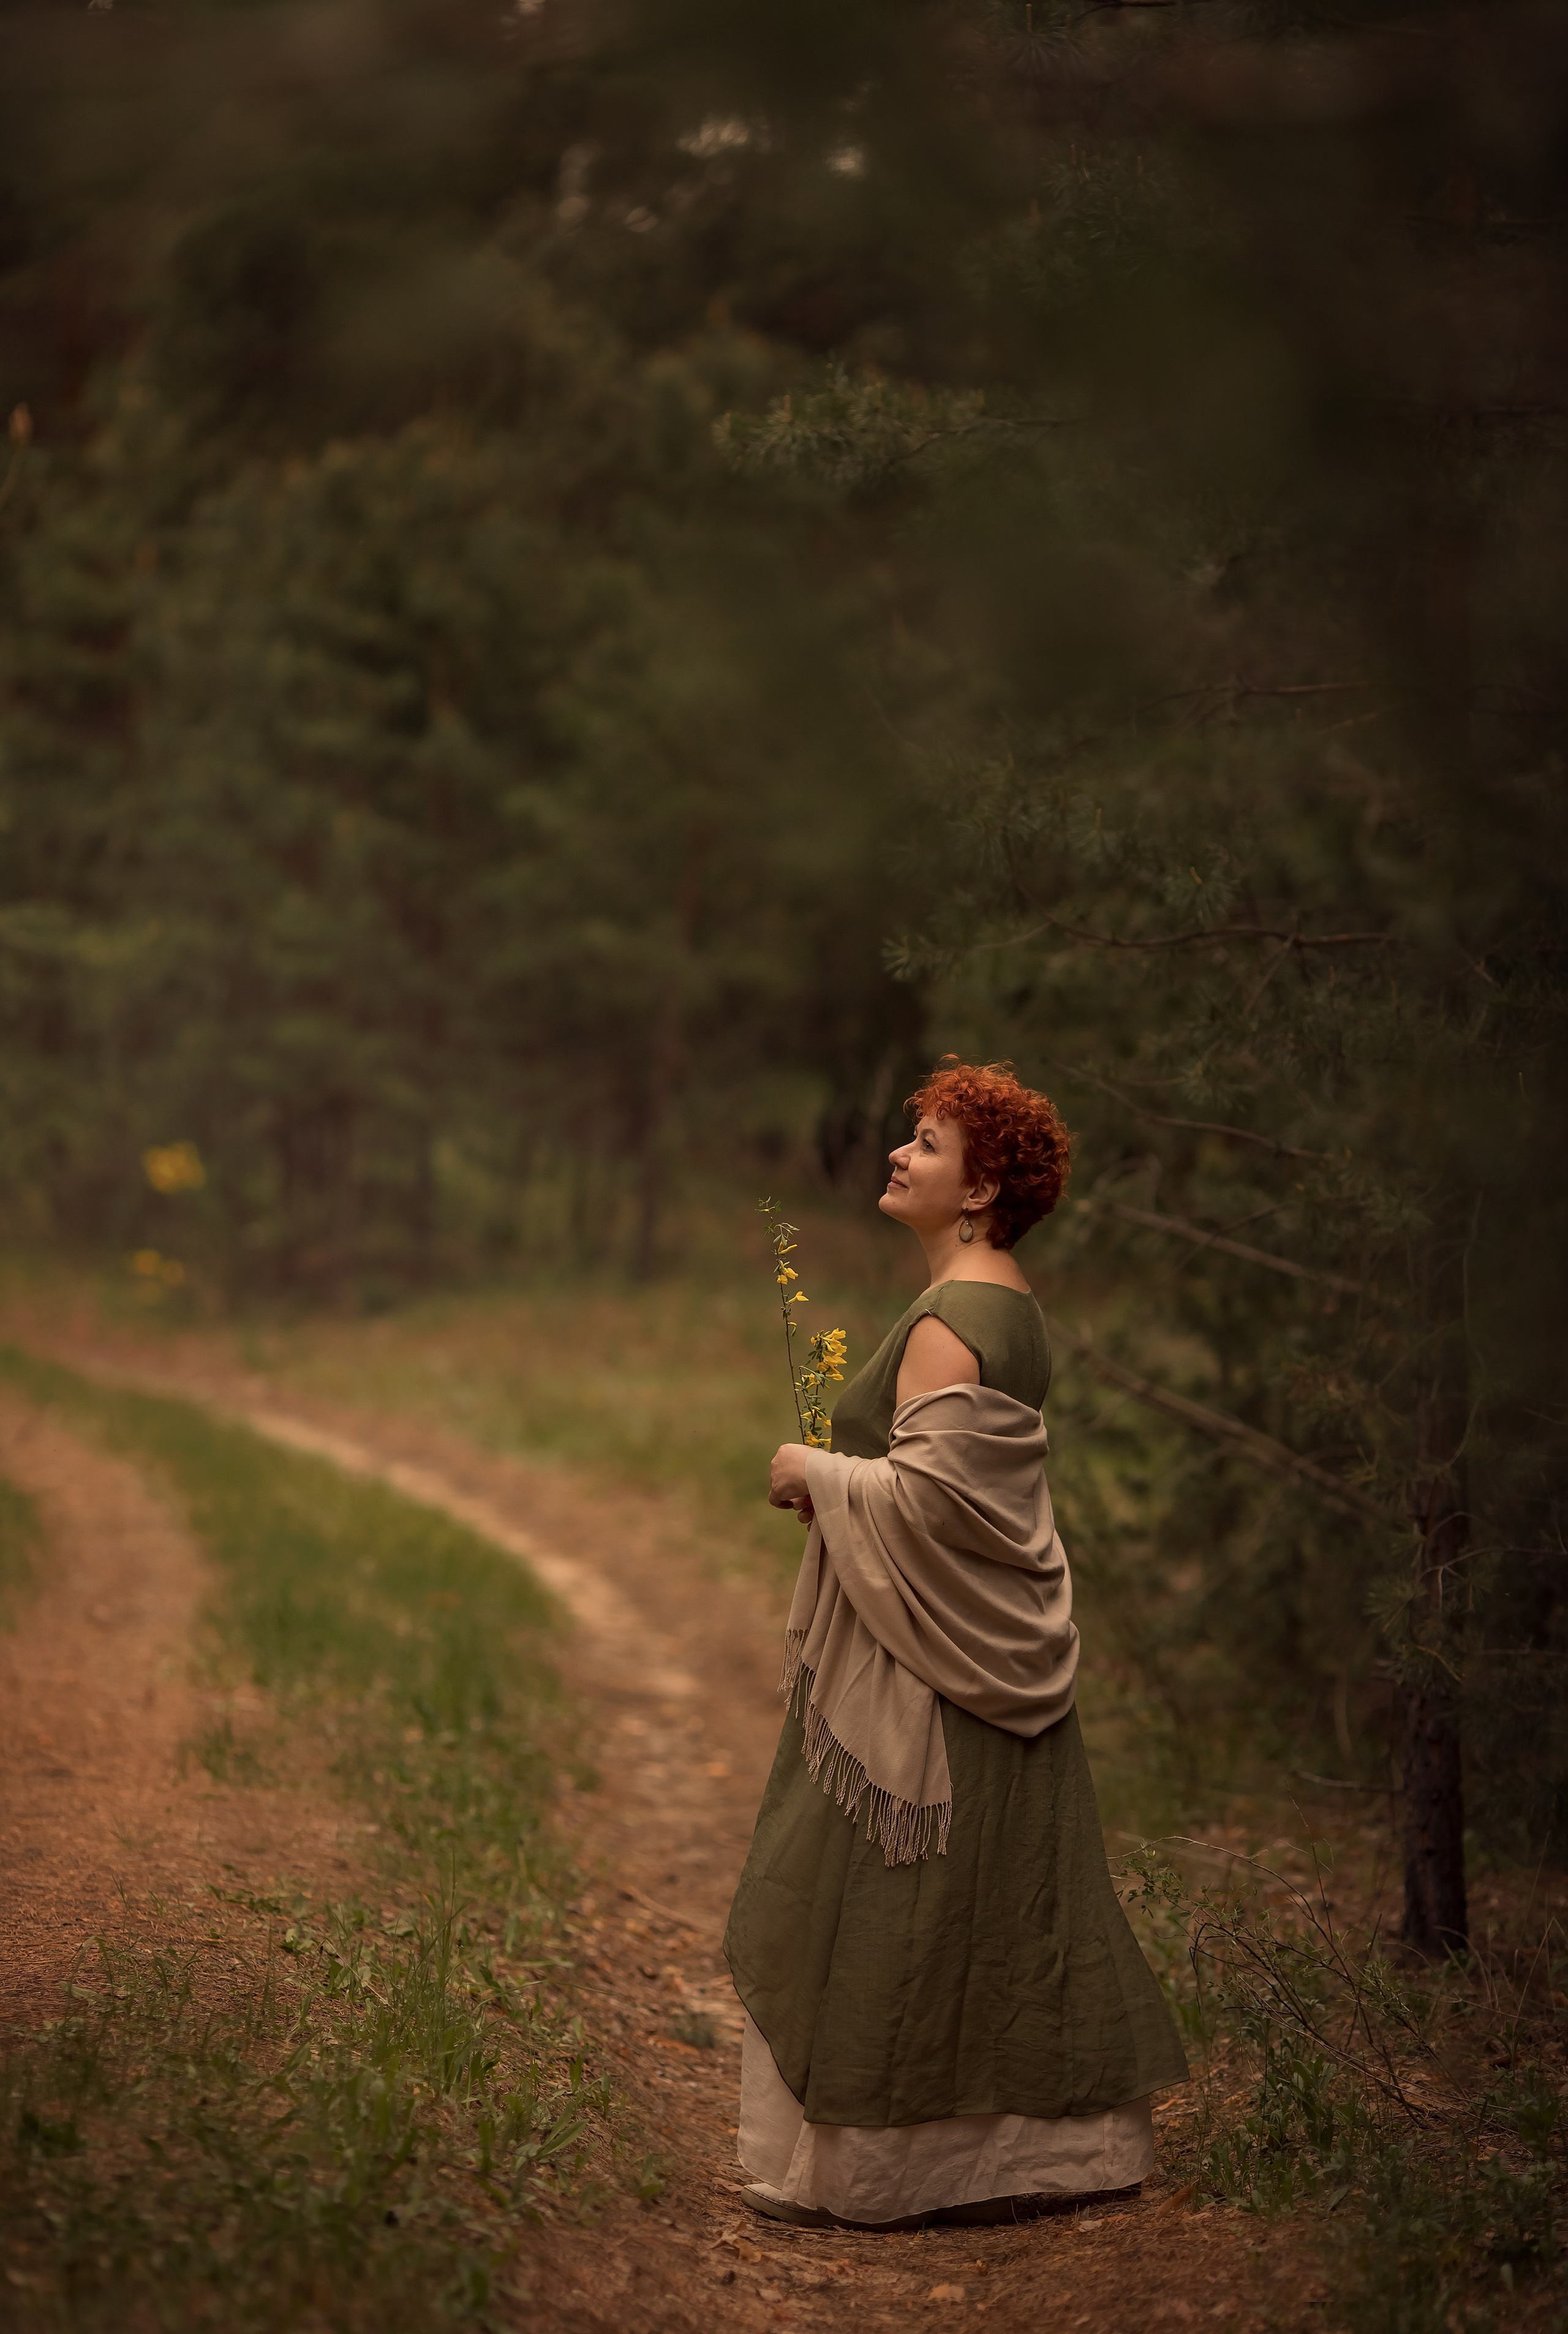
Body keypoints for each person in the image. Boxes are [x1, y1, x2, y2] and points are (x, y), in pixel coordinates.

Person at [723, 1057, 1188, 2230]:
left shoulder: (952, 1319)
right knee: (999, 1902)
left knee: (906, 1902)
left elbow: (931, 1514)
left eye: (926, 1143)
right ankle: (1028, 2157)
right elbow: (965, 1503)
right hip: (991, 1657)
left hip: (930, 1671)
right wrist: (851, 1484)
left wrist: (814, 1470)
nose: (897, 1152)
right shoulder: (1011, 1305)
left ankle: (892, 2169)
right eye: (911, 1135)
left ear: (979, 1191)